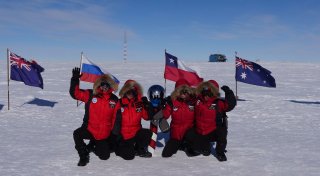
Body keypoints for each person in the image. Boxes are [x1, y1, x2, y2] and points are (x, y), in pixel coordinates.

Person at [69, 67, 119, 166]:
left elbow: (115, 118)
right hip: (90, 129)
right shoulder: (90, 95)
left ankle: (93, 145)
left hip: (104, 133)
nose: (104, 87)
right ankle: (83, 155)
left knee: (104, 156)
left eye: (107, 85)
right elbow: (75, 94)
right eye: (102, 84)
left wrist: (113, 133)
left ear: (110, 86)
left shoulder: (114, 100)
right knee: (77, 134)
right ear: (99, 84)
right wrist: (75, 79)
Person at [187, 80, 236, 162]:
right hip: (200, 132)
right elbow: (186, 101)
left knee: (222, 132)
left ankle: (220, 152)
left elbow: (230, 105)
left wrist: (229, 92)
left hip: (213, 131)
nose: (206, 96)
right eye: (205, 93)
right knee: (200, 150)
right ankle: (204, 146)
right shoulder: (197, 101)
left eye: (209, 94)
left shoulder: (218, 103)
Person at [113, 80, 152, 160]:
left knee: (147, 133)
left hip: (135, 132)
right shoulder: (119, 103)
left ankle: (140, 150)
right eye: (128, 92)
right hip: (123, 135)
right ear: (125, 91)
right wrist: (117, 135)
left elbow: (147, 117)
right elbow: (114, 119)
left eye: (133, 92)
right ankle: (118, 148)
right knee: (129, 156)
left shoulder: (139, 103)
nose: (130, 94)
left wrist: (147, 105)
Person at [161, 79, 197, 157]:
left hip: (189, 133)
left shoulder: (193, 101)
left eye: (185, 91)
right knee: (166, 154)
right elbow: (165, 115)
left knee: (194, 152)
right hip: (176, 134)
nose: (183, 94)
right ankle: (180, 144)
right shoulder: (172, 102)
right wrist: (161, 106)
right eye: (181, 91)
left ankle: (188, 144)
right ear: (177, 92)